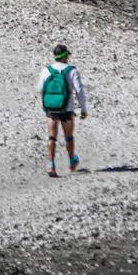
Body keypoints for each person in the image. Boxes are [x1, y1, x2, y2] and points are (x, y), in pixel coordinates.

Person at [37, 44, 87, 177]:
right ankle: (72, 161)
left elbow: (40, 89)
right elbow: (79, 91)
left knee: (52, 137)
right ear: (65, 56)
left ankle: (51, 165)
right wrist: (83, 108)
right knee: (69, 137)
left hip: (51, 109)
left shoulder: (46, 70)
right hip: (67, 108)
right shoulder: (72, 70)